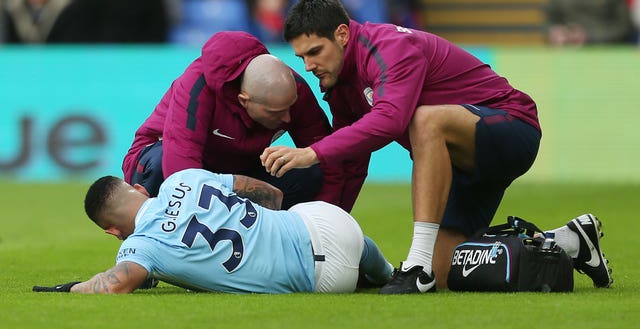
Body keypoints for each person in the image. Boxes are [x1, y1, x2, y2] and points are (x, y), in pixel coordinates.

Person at [260, 0, 613, 293]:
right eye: (301, 57)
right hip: (458, 165)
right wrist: (325, 231)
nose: (308, 65)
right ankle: (567, 242)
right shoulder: (340, 84)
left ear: (341, 34)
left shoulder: (390, 46)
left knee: (425, 118)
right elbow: (350, 161)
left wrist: (311, 152)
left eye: (314, 52)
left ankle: (417, 267)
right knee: (451, 273)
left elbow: (390, 120)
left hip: (511, 126)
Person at [32, 168, 393, 294]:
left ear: (112, 231)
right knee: (333, 232)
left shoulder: (140, 247)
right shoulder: (182, 179)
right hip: (329, 222)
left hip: (323, 280)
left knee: (332, 261)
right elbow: (270, 193)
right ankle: (391, 274)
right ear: (139, 189)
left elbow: (114, 286)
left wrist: (73, 287)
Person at [123, 31, 349, 210]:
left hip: (238, 169)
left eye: (290, 108)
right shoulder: (195, 87)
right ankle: (160, 246)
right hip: (168, 163)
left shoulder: (291, 89)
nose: (287, 118)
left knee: (309, 170)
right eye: (276, 112)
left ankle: (275, 244)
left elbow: (326, 160)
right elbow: (181, 173)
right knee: (165, 168)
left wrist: (328, 223)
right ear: (244, 100)